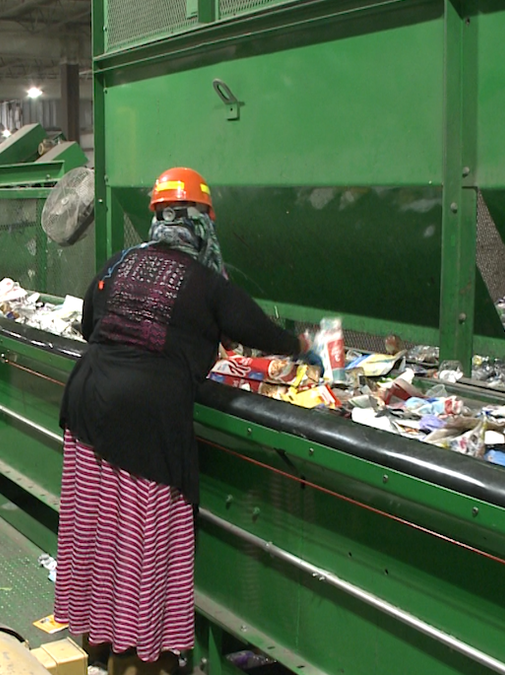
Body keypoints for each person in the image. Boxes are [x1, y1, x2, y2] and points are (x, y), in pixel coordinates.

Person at [56, 167, 313, 675]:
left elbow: (90, 324)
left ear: (157, 219)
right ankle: (136, 661)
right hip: (144, 424)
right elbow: (260, 331)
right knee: (139, 545)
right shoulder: (205, 281)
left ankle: (101, 648)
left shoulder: (121, 262)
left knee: (100, 534)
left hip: (86, 406)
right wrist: (303, 346)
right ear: (203, 224)